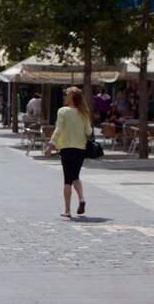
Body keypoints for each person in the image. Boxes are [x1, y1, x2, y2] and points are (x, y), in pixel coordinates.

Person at [44, 86, 92, 218]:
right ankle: (81, 198)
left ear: (71, 97)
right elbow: (89, 132)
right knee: (75, 175)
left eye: (66, 95)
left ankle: (67, 209)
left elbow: (58, 130)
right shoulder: (84, 112)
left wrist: (50, 146)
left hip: (66, 148)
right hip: (80, 148)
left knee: (67, 179)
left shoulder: (63, 111)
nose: (64, 97)